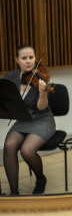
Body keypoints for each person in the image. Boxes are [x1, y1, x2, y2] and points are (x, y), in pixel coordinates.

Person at [3, 44, 56, 195]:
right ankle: (14, 192)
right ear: (17, 60)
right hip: (23, 119)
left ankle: (40, 178)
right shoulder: (10, 77)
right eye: (24, 58)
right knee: (8, 145)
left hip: (42, 118)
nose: (28, 61)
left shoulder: (41, 77)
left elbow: (41, 107)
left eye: (31, 57)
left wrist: (43, 93)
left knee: (27, 150)